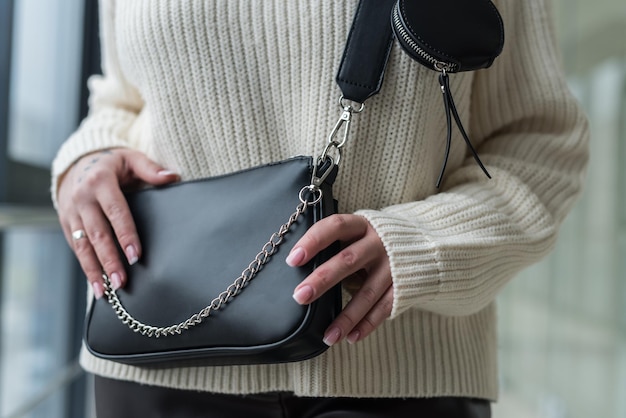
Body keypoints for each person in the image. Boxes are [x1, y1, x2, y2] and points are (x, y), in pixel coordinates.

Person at [52, 0, 589, 417]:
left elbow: (540, 145)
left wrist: (423, 243)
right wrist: (86, 159)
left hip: (399, 376)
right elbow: (119, 100)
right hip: (152, 364)